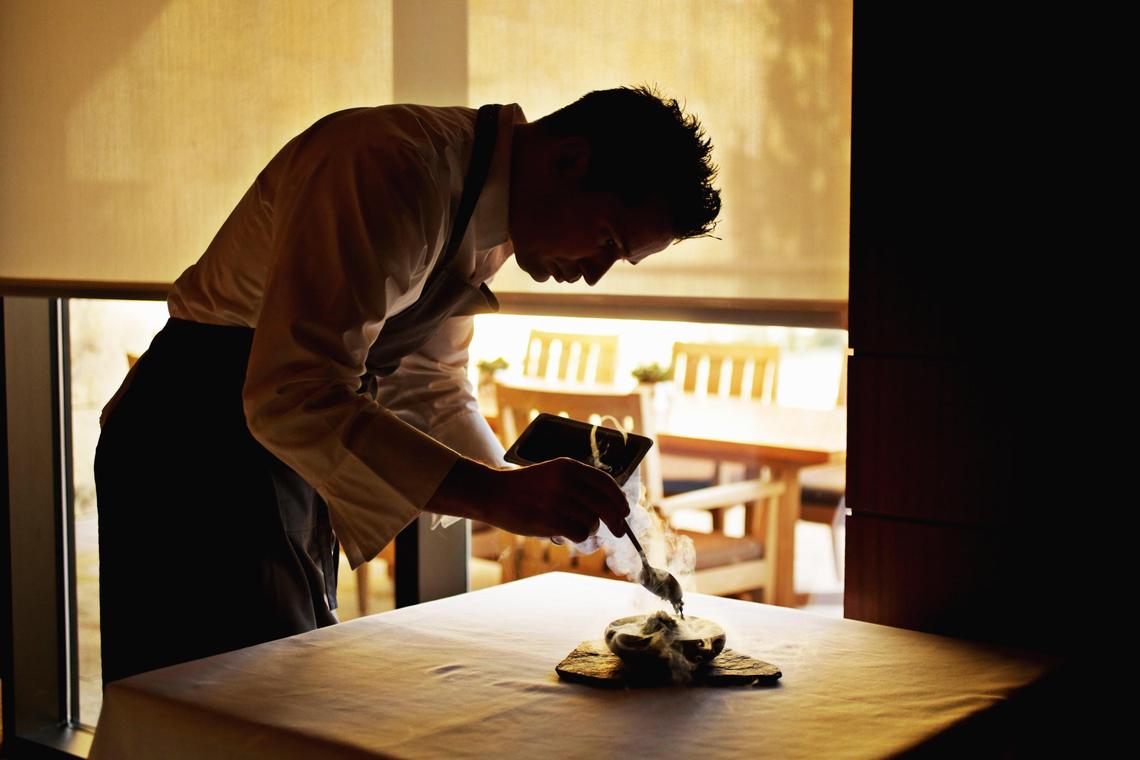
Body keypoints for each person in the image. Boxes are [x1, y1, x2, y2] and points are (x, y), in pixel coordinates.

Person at [94, 85, 721, 685]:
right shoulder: (390, 167)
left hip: (284, 456)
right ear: (568, 159)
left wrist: (517, 486)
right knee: (211, 709)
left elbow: (431, 387)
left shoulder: (487, 215)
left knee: (275, 692)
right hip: (190, 448)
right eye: (606, 239)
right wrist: (495, 496)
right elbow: (294, 391)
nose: (593, 275)